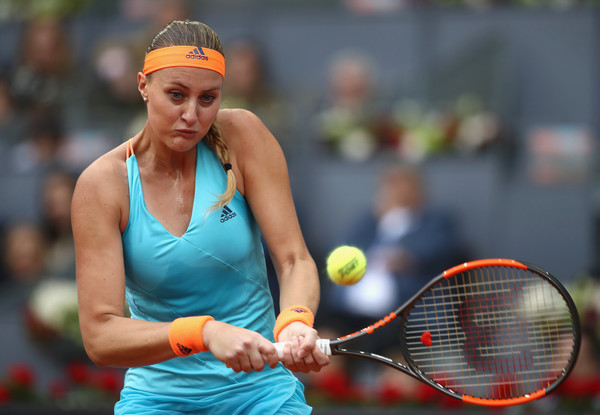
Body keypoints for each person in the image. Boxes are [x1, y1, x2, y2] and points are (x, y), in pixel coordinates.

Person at [71, 20, 329, 414]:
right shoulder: (102, 185)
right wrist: (204, 332)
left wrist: (294, 320)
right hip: (157, 400)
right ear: (143, 85)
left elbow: (294, 260)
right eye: (176, 95)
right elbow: (101, 336)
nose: (191, 114)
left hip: (263, 395)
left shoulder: (244, 135)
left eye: (208, 98)